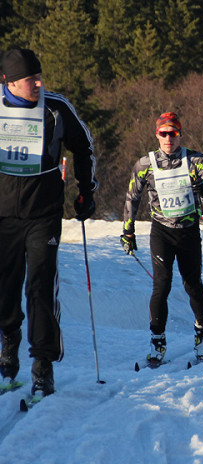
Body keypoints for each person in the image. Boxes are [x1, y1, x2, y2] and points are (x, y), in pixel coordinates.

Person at [0, 48, 97, 397]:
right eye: (31, 80)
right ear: (9, 82)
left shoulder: (56, 108)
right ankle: (8, 347)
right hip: (4, 217)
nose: (39, 84)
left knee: (40, 287)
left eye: (40, 77)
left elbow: (83, 147)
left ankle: (43, 366)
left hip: (44, 214)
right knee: (5, 289)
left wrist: (86, 191)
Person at [120, 112, 203, 365]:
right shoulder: (145, 164)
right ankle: (157, 342)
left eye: (173, 133)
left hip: (188, 231)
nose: (168, 138)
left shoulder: (196, 161)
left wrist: (202, 190)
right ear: (157, 135)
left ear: (180, 134)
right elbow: (132, 197)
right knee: (161, 286)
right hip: (161, 231)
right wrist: (128, 232)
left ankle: (202, 331)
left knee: (192, 284)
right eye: (163, 133)